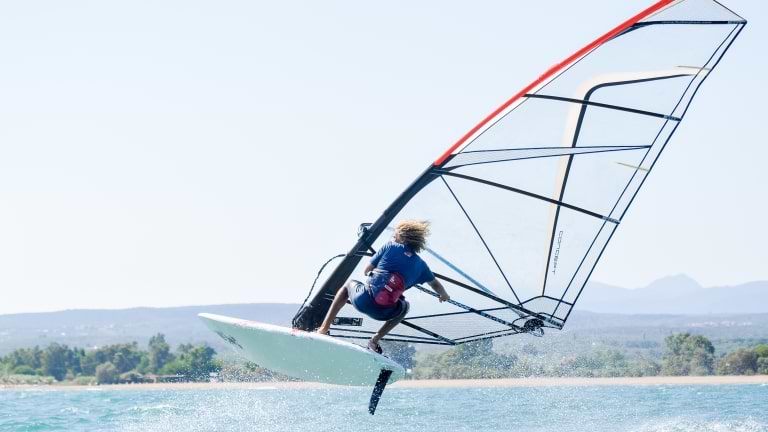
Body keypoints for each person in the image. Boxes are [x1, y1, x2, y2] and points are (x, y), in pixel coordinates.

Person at [316, 220, 449, 354]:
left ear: (402, 236)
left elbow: (367, 270)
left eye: (395, 233)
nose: (392, 236)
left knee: (347, 287)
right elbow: (436, 284)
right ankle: (374, 340)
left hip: (363, 300)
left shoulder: (390, 246)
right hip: (383, 313)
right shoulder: (422, 266)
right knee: (406, 306)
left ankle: (324, 328)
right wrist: (444, 294)